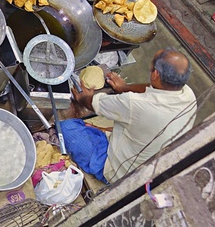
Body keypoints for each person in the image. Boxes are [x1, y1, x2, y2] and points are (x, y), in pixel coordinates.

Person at [65, 47, 196, 184]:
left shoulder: (136, 104)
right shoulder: (187, 94)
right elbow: (151, 88)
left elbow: (93, 104)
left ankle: (102, 169)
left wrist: (84, 98)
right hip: (144, 157)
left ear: (156, 74)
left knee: (66, 126)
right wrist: (124, 88)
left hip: (118, 171)